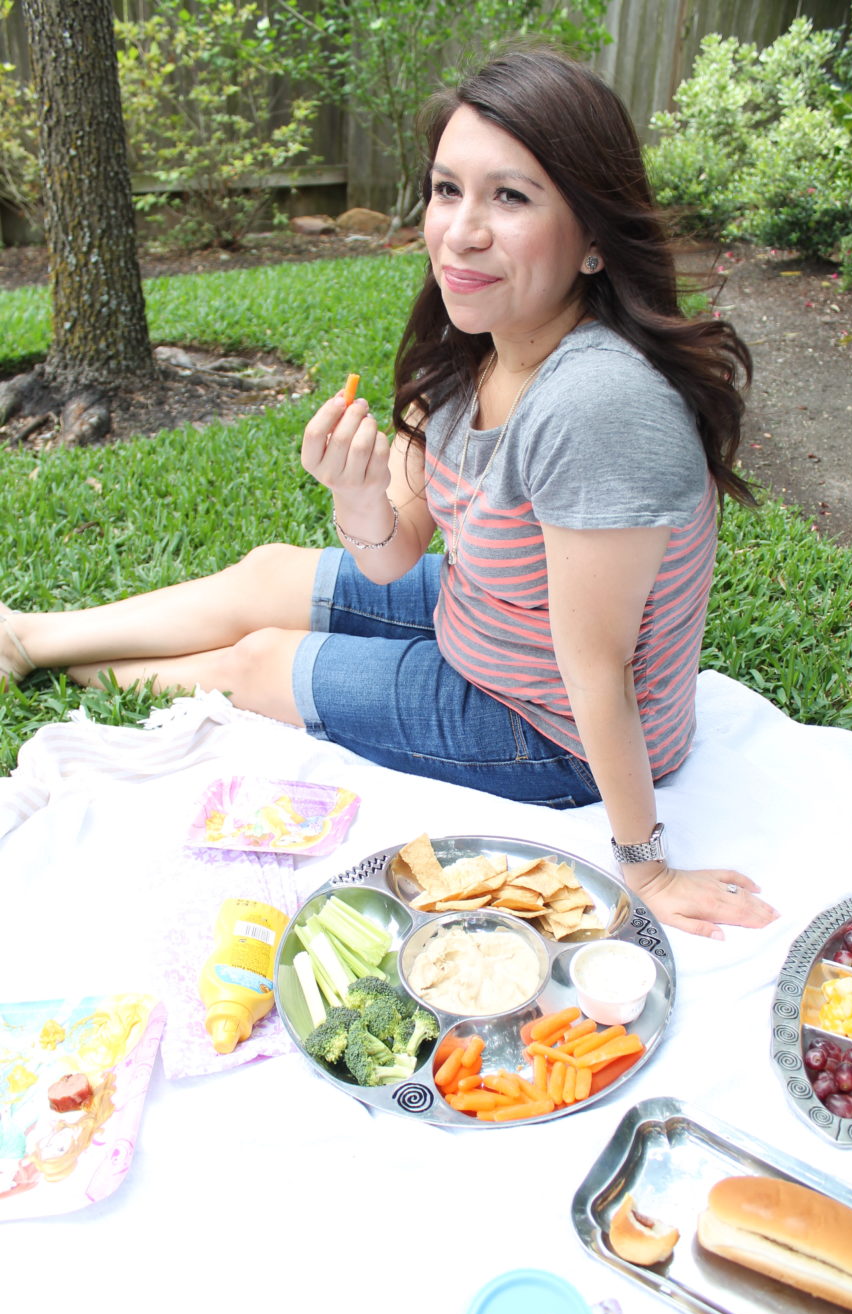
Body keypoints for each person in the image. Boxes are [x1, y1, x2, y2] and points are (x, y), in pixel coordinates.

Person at [1, 44, 777, 942]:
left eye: (511, 197)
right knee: (265, 573)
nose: (461, 230)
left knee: (256, 659)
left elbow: (594, 667)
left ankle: (85, 676)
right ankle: (27, 639)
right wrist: (358, 498)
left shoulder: (598, 402)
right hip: (487, 620)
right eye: (447, 190)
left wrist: (645, 864)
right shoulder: (476, 343)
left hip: (548, 726)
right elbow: (398, 548)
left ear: (596, 238)